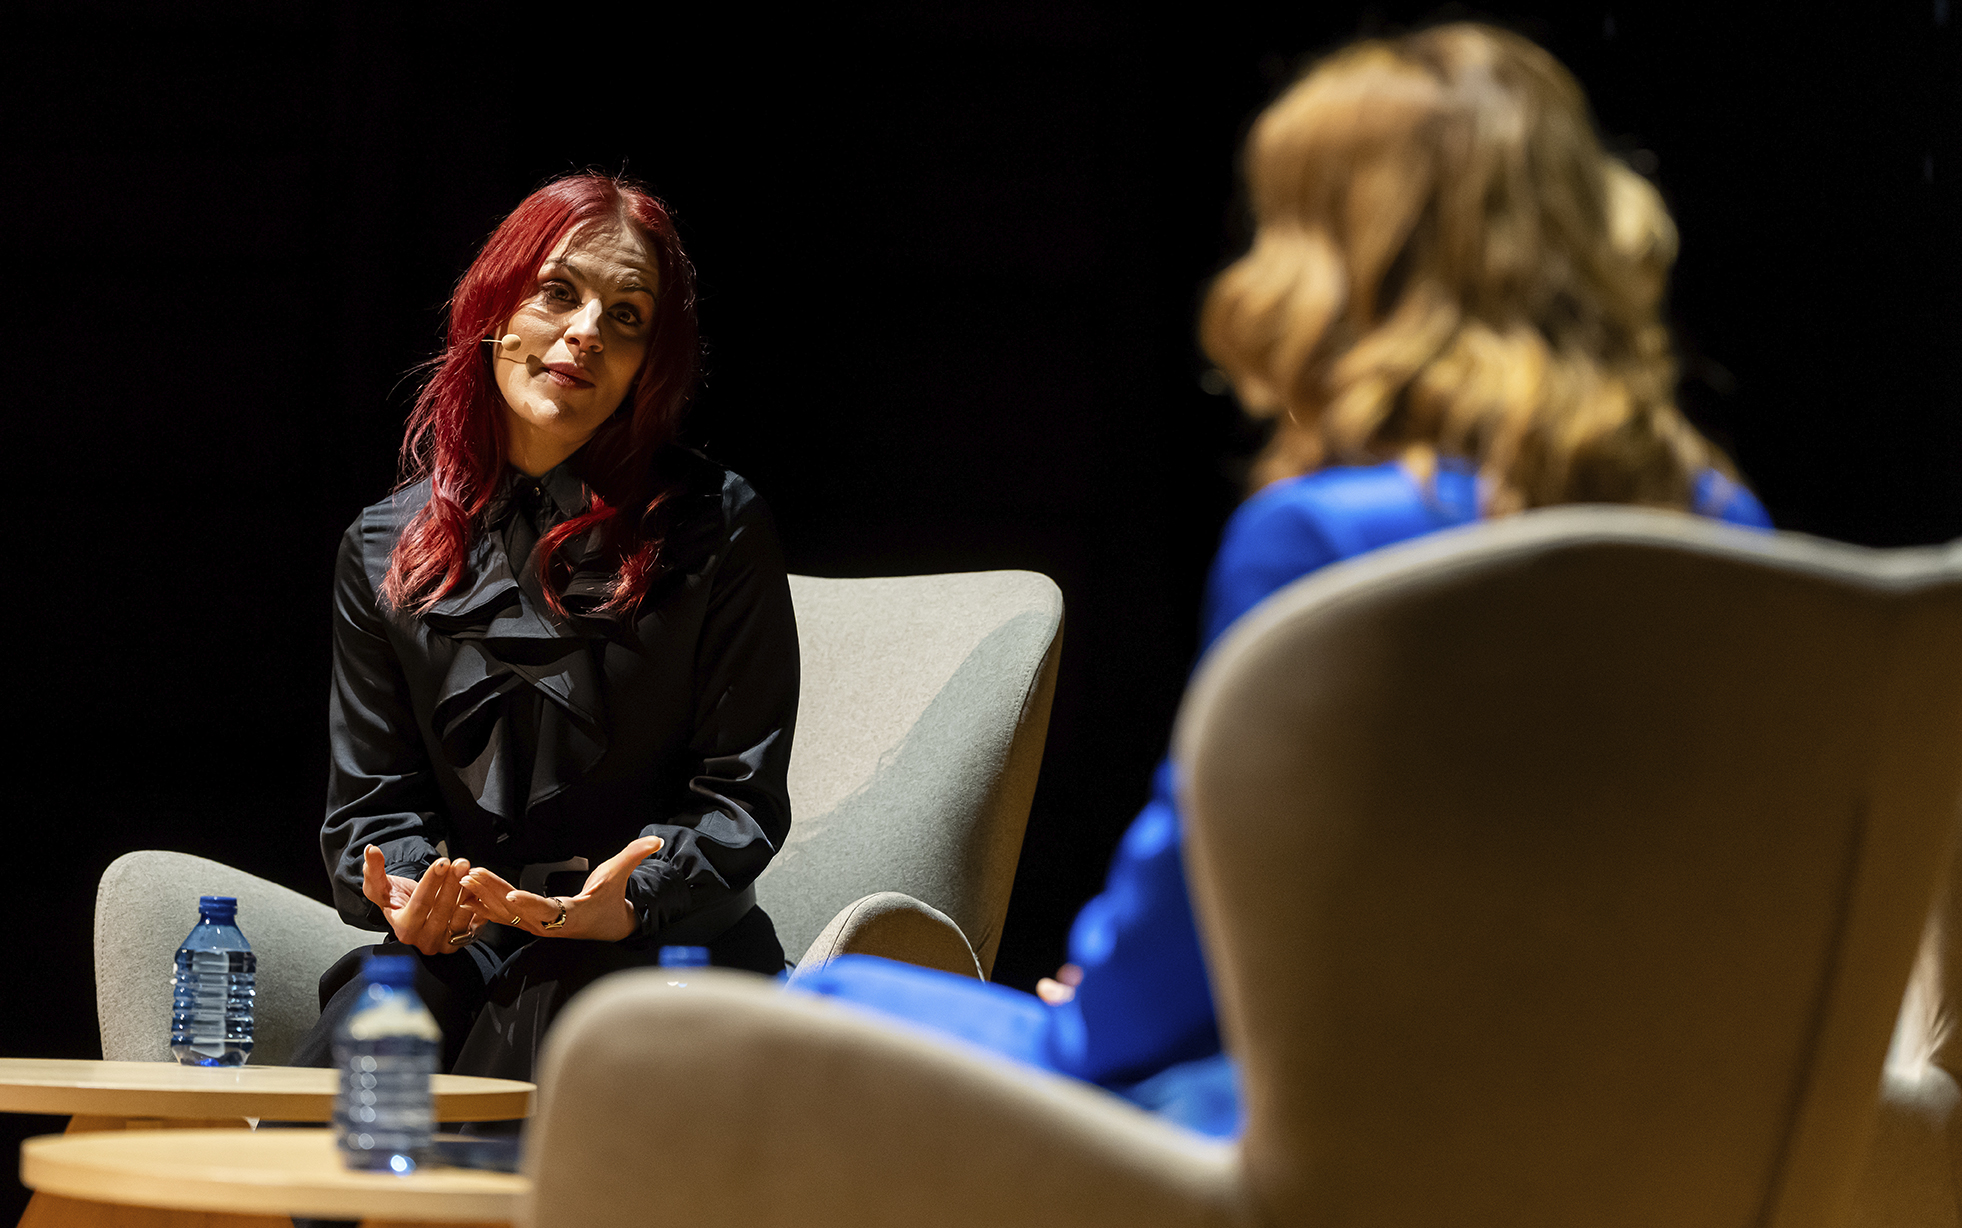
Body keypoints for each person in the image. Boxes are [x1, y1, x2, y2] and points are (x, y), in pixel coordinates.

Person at [791, 22, 1771, 1138]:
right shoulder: (1726, 526)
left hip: (1340, 1148)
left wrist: (1100, 1005)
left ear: (1334, 263)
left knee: (821, 1006)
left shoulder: (1322, 537)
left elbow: (1192, 927)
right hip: (1644, 1136)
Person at [294, 171, 799, 1081]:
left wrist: (633, 897)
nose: (586, 330)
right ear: (495, 308)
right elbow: (373, 799)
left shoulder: (719, 526)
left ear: (648, 364)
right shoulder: (381, 547)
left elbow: (740, 795)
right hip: (468, 950)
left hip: (664, 952)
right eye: (558, 292)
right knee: (356, 1053)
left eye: (626, 316)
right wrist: (414, 895)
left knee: (546, 1016)